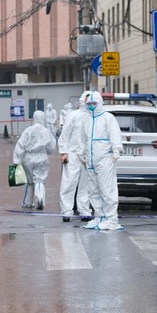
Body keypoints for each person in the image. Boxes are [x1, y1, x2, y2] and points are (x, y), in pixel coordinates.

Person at [76, 91, 123, 231]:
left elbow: (115, 135)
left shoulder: (108, 118)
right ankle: (100, 217)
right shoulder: (87, 120)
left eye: (93, 103)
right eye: (88, 104)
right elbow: (82, 139)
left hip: (105, 159)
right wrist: (81, 153)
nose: (91, 106)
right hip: (91, 160)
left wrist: (116, 150)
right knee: (93, 191)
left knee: (107, 190)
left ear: (100, 103)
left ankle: (111, 219)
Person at [58, 92, 92, 222]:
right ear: (82, 100)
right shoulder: (74, 115)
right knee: (69, 183)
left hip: (87, 156)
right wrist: (64, 152)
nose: (90, 103)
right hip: (72, 155)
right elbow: (65, 135)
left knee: (86, 185)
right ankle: (66, 211)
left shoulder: (94, 117)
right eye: (88, 100)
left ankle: (84, 210)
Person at [13, 110, 57, 210]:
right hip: (41, 156)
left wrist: (17, 161)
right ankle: (40, 198)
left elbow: (20, 145)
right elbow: (52, 146)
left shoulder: (28, 130)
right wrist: (47, 152)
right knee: (40, 179)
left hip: (28, 158)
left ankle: (27, 203)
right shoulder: (46, 131)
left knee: (30, 182)